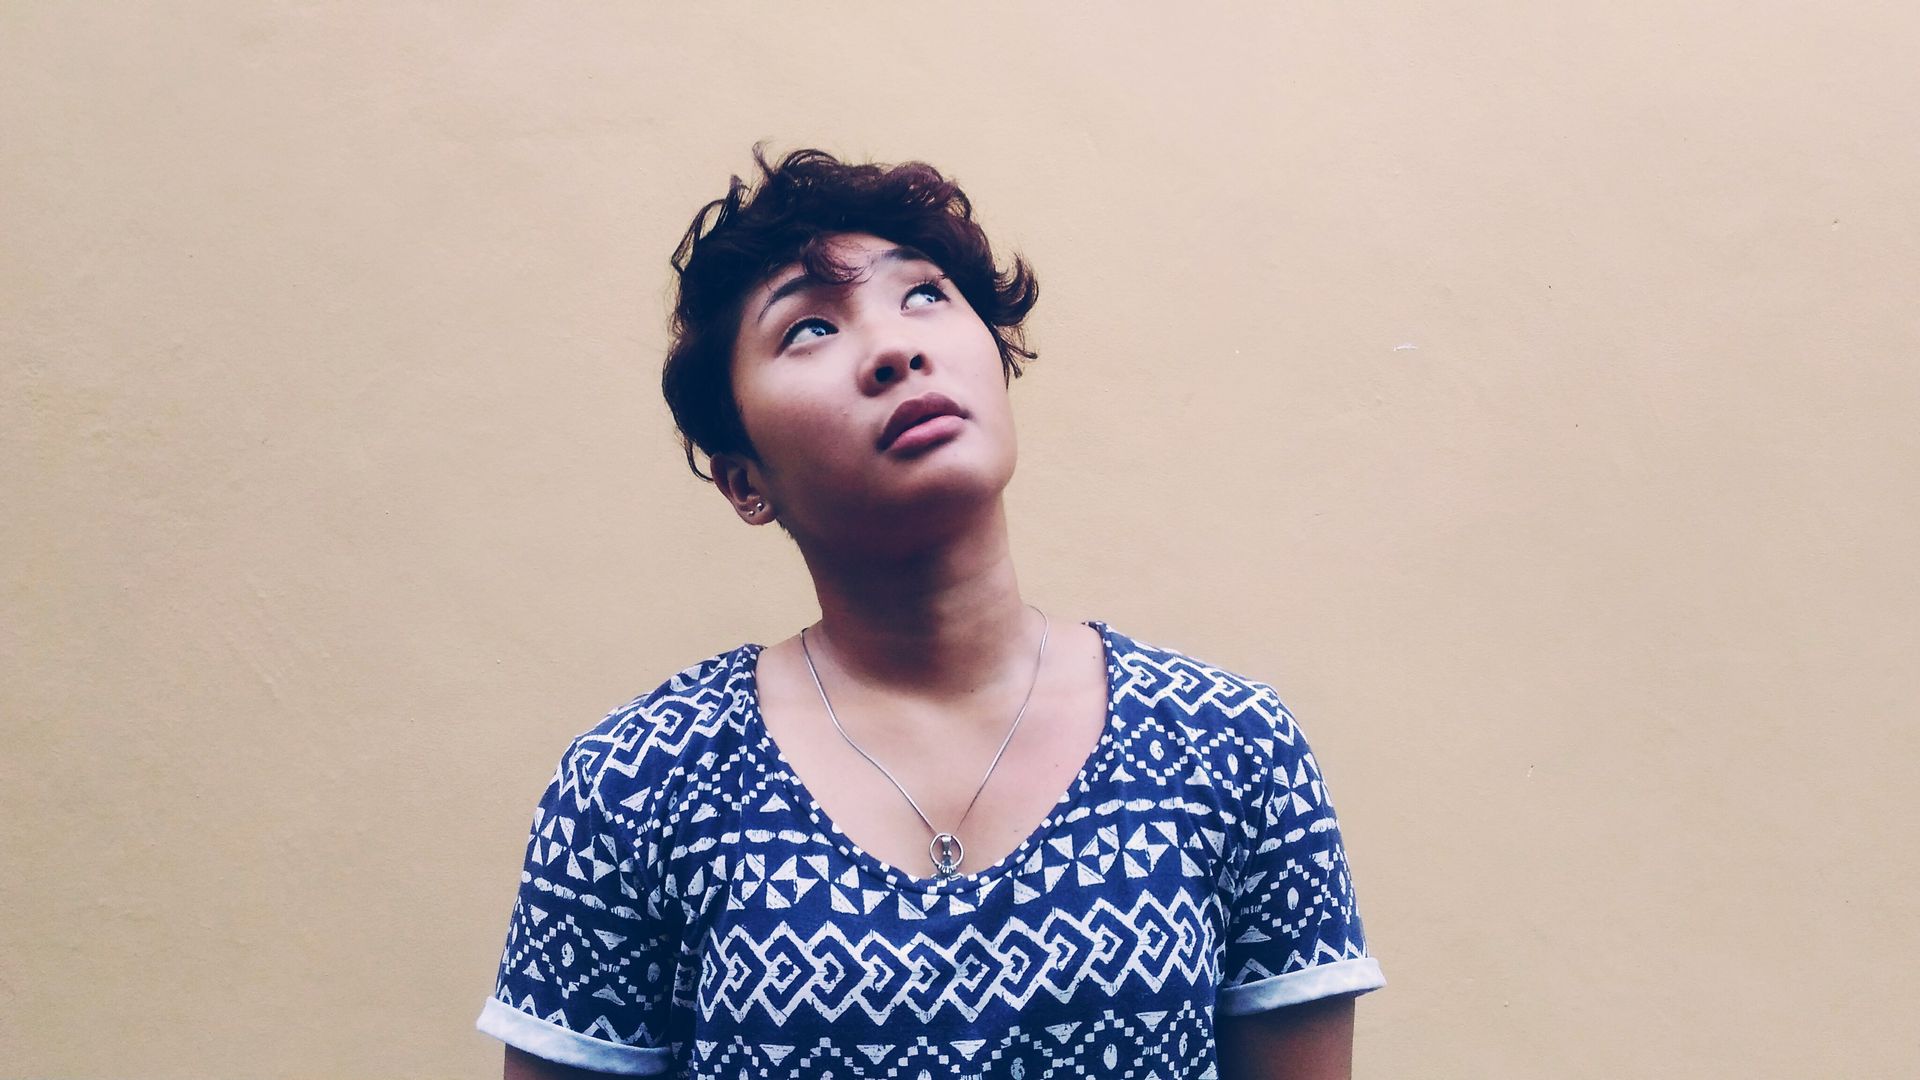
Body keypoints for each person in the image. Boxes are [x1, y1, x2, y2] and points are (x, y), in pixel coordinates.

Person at [475, 146, 1385, 1079]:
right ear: (743, 480)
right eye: (808, 329)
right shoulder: (637, 784)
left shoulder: (1230, 746)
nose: (895, 350)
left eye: (923, 294)